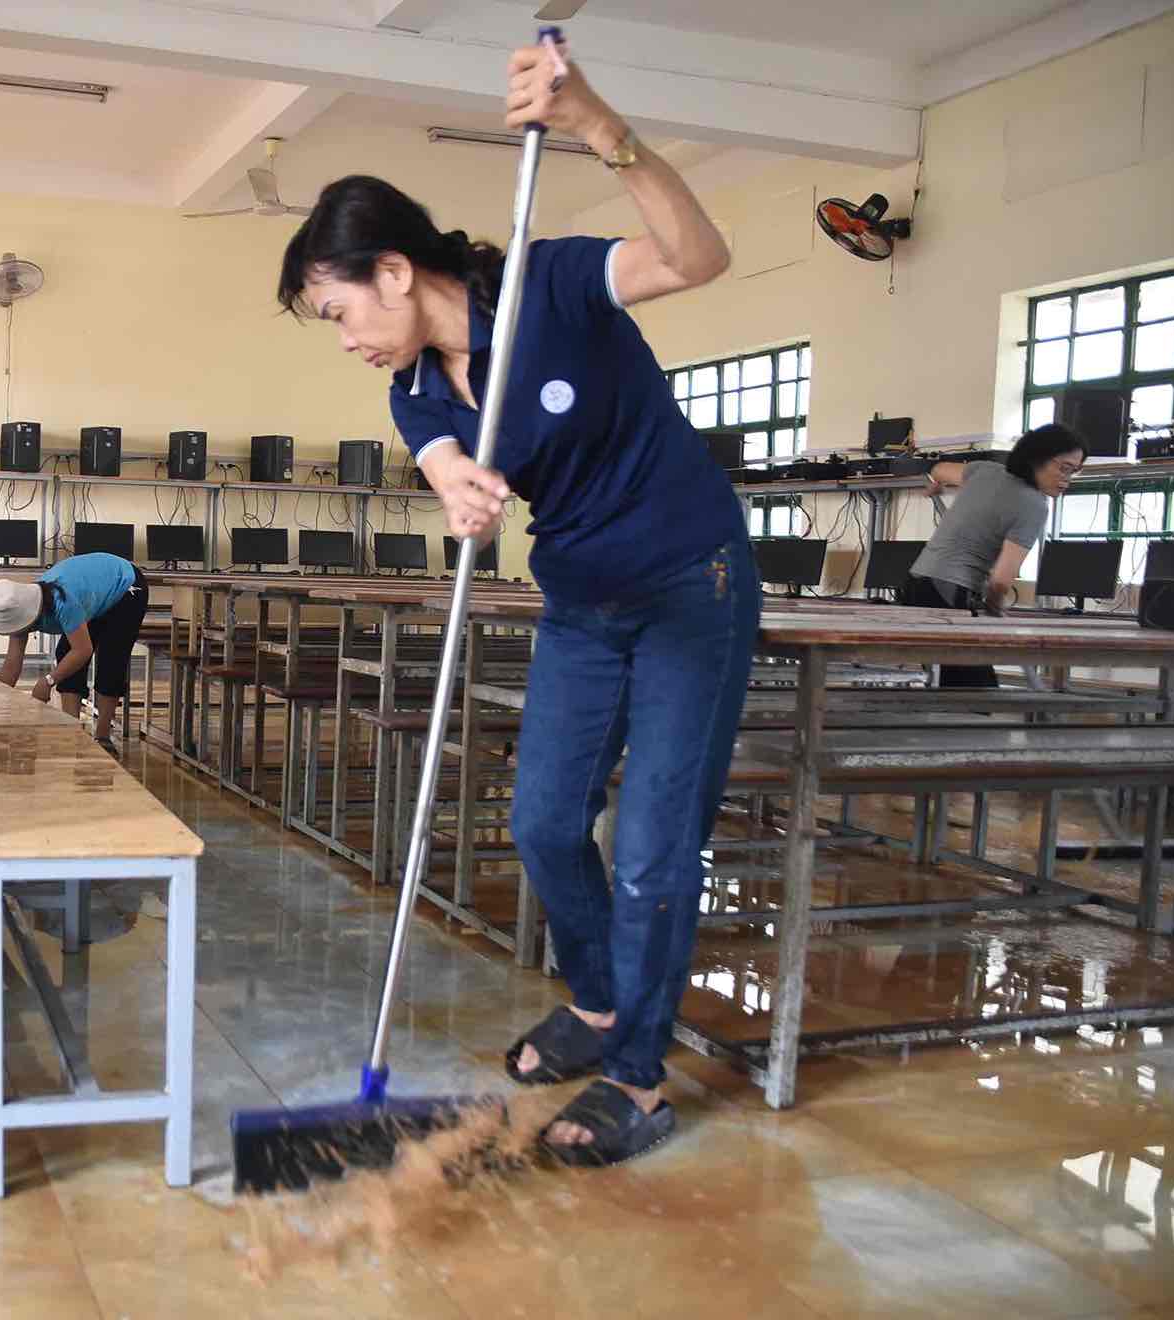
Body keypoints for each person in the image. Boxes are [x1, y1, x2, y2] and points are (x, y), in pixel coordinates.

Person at [276, 35, 755, 1166]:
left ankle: (638, 1080)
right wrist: (458, 486)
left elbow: (698, 257)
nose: (343, 338)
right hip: (584, 602)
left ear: (392, 269)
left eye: (339, 309)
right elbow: (444, 459)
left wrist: (600, 126)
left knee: (650, 849)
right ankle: (598, 1004)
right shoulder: (408, 389)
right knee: (542, 823)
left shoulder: (552, 284)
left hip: (693, 583)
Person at [904, 424, 1085, 687]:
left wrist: (934, 485)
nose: (1068, 478)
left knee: (954, 684)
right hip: (947, 593)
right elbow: (1001, 579)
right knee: (975, 692)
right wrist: (994, 605)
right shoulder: (1034, 504)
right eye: (1064, 468)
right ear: (1037, 458)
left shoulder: (985, 470)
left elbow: (938, 469)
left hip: (916, 584)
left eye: (1075, 471)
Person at [0, 552, 148, 748]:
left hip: (125, 587)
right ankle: (72, 730)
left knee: (110, 660)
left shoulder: (61, 601)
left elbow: (83, 651)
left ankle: (103, 736)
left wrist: (48, 681)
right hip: (93, 592)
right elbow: (11, 666)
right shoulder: (17, 609)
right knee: (65, 653)